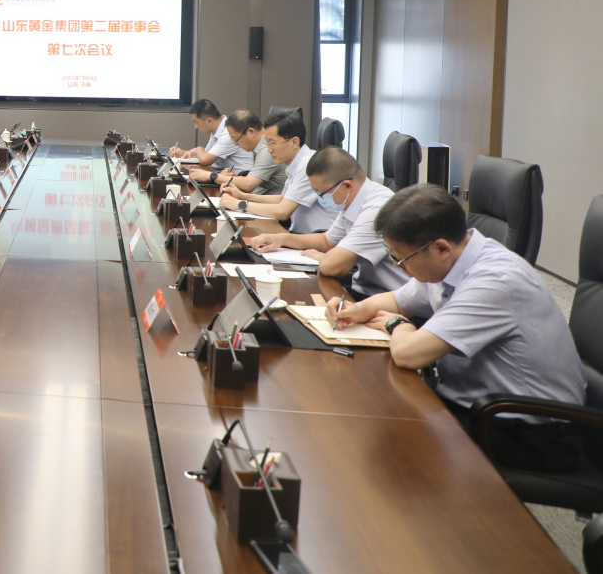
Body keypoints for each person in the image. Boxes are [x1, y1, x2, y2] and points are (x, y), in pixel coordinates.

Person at [329, 184, 584, 472]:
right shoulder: (454, 260)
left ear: (440, 248)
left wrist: (397, 324)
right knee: (369, 413)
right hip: (483, 407)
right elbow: (398, 300)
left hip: (530, 432)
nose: (399, 268)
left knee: (385, 447)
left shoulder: (495, 280)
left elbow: (408, 354)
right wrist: (355, 310)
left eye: (402, 259)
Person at [249, 146, 405, 296]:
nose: (320, 198)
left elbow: (331, 266)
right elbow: (326, 240)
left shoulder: (377, 210)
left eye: (322, 193)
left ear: (347, 185)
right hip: (366, 290)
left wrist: (322, 258)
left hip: (388, 300)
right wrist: (282, 239)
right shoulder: (354, 199)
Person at [219, 111, 336, 232]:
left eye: (273, 143)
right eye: (267, 143)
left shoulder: (309, 165)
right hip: (300, 235)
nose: (269, 150)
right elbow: (282, 199)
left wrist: (239, 204)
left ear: (294, 142)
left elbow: (282, 212)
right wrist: (243, 196)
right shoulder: (296, 163)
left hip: (314, 239)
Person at [187, 109, 284, 194]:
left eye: (236, 139)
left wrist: (211, 176)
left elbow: (248, 185)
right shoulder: (260, 145)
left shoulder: (267, 149)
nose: (236, 144)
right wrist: (236, 177)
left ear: (251, 132)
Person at [169, 99, 252, 172]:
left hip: (239, 178)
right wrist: (183, 153)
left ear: (209, 121)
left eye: (196, 122)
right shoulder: (217, 129)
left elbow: (205, 160)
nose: (195, 126)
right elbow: (206, 154)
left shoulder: (228, 133)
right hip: (225, 175)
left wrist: (199, 149)